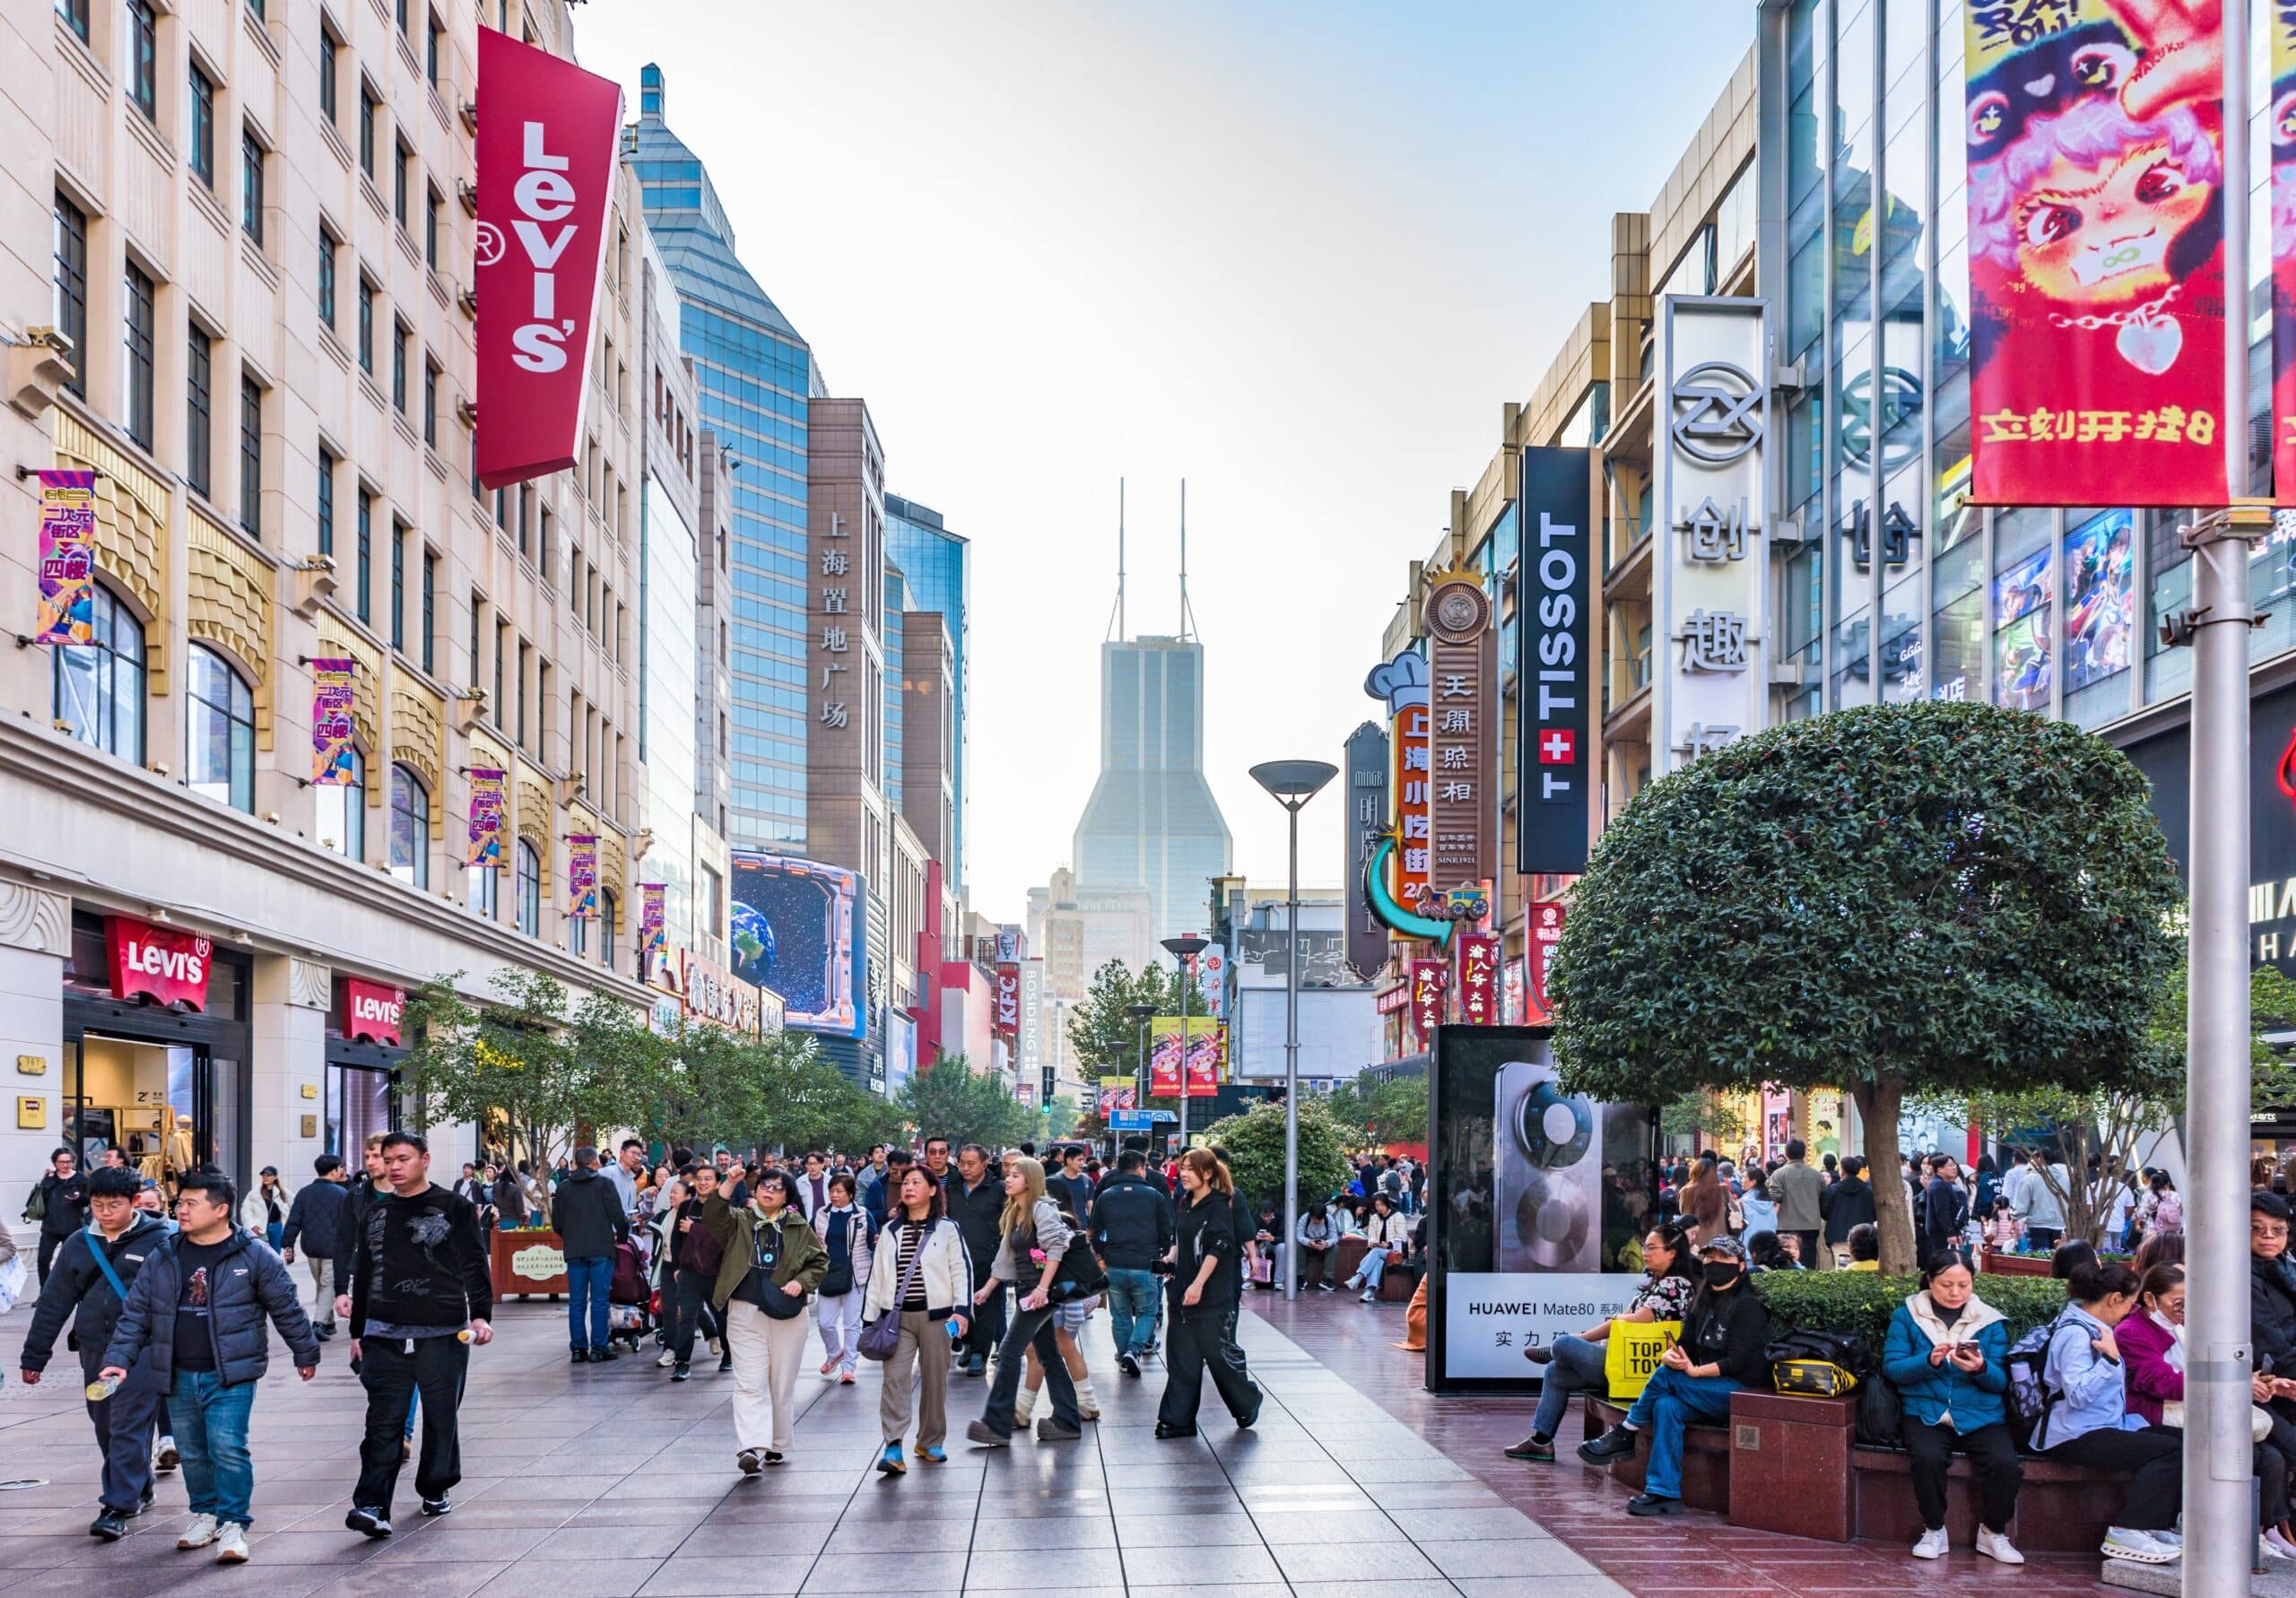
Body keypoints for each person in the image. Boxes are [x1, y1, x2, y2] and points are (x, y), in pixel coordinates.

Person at [97, 1172, 320, 1566]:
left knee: (228, 1447)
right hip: (177, 1370)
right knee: (193, 1451)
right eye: (179, 1203)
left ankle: (234, 1523)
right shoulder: (164, 1255)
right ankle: (205, 1514)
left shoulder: (253, 1255)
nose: (180, 1210)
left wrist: (305, 1352)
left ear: (220, 1210)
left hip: (230, 1373)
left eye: (191, 1203)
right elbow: (136, 1313)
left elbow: (286, 1306)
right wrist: (118, 1360)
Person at [342, 1130, 494, 1537]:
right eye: (388, 1159)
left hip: (443, 1328)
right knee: (383, 1420)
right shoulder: (375, 1213)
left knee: (441, 1416)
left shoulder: (454, 1206)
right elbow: (365, 1275)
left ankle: (435, 1486)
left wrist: (479, 1316)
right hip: (384, 1331)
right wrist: (358, 1332)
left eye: (403, 1159)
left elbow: (475, 1265)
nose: (393, 1167)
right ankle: (372, 1504)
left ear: (425, 1160)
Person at [16, 1164, 171, 1539]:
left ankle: (117, 1504)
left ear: (134, 1202)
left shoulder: (161, 1241)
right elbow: (54, 1303)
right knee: (104, 1423)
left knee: (127, 1423)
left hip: (142, 1349)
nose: (105, 1213)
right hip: (95, 1348)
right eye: (98, 1205)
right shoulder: (78, 1244)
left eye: (113, 1205)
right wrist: (34, 1357)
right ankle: (139, 1486)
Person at [1578, 1236, 1771, 1515]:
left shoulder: (1748, 1305)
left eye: (1722, 1259)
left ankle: (1627, 1432)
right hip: (1705, 1385)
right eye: (1709, 1258)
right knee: (1665, 1405)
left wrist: (1694, 1370)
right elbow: (1686, 1345)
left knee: (1669, 1377)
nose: (1714, 1264)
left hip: (1740, 1389)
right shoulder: (1702, 1301)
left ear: (1741, 1266)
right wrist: (1671, 1355)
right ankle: (1662, 1492)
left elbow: (1739, 1361)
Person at [2122, 1260, 2296, 1558]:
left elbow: (2209, 1371)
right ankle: (2206, 1525)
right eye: (2179, 1303)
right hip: (2155, 1412)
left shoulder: (2183, 1326)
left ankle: (2259, 1530)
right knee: (2246, 1451)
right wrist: (2235, 1385)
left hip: (2196, 1408)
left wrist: (2252, 1382)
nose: (2186, 1310)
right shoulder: (2132, 1331)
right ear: (2150, 1299)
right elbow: (2163, 1383)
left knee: (2272, 1457)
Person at [2026, 1257, 2181, 1564]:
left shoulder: (2093, 1327)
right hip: (2072, 1433)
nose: (2132, 1312)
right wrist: (2110, 1361)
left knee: (2185, 1443)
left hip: (2104, 1425)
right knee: (2168, 1451)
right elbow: (2079, 1396)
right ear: (2114, 1299)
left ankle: (2154, 1524)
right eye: (2131, 1304)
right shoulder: (2075, 1333)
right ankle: (2127, 1529)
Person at [1507, 1221, 1696, 1463]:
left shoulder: (1677, 1284)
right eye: (1645, 1247)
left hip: (1641, 1368)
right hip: (1624, 1363)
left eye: (1651, 1248)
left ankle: (1554, 1350)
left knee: (1564, 1344)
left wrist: (1585, 1337)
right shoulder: (1658, 1283)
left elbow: (1638, 1320)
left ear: (1672, 1252)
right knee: (1555, 1372)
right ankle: (1541, 1442)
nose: (1645, 1253)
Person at [1881, 1251, 2023, 1564]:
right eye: (1946, 1284)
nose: (1955, 1293)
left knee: (2004, 1463)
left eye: (1964, 1284)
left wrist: (1981, 1368)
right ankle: (1934, 1530)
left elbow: (2000, 1382)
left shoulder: (1989, 1321)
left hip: (1981, 1413)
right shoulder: (1907, 1315)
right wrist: (1929, 1361)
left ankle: (1994, 1532)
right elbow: (1892, 1368)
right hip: (1926, 1410)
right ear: (1930, 1281)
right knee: (1927, 1457)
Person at [703, 1168, 825, 1472]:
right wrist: (730, 1182)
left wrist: (802, 1282)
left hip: (786, 1313)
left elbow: (819, 1261)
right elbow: (713, 1216)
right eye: (764, 1185)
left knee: (780, 1385)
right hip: (745, 1311)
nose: (769, 1191)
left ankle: (777, 1444)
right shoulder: (740, 1222)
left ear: (787, 1196)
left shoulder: (797, 1226)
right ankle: (751, 1446)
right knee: (749, 1382)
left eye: (777, 1187)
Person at [966, 1156, 1085, 1446]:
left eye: (1016, 1175)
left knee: (1008, 1352)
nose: (1008, 1178)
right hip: (1027, 1291)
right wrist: (988, 1287)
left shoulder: (1041, 1209)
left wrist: (1043, 1290)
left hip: (1039, 1294)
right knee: (1048, 1355)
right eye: (1008, 1173)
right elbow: (1007, 1256)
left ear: (1030, 1181)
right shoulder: (1014, 1212)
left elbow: (1057, 1246)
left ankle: (997, 1424)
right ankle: (1067, 1420)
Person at [864, 1164, 972, 1474]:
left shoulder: (947, 1228)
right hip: (897, 1318)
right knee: (894, 1380)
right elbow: (878, 1276)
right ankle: (893, 1444)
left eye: (917, 1182)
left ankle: (930, 1440)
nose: (909, 1187)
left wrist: (961, 1310)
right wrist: (871, 1318)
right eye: (905, 1183)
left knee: (935, 1380)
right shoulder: (890, 1230)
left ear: (933, 1190)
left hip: (937, 1317)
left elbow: (961, 1269)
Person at [1154, 1148, 1263, 1438]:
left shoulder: (1220, 1204)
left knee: (1218, 1357)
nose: (1184, 1173)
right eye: (1183, 1167)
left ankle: (1247, 1401)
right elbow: (1180, 1237)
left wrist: (1199, 1283)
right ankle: (1178, 1420)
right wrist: (1170, 1259)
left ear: (1208, 1173)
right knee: (1182, 1358)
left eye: (1191, 1168)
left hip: (1213, 1295)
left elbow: (1219, 1246)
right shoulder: (1185, 1202)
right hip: (1182, 1293)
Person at [1092, 1149, 1172, 1377]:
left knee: (1120, 1315)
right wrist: (1163, 1253)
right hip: (1145, 1263)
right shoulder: (1154, 1195)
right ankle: (1134, 1350)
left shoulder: (1106, 1195)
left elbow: (1095, 1231)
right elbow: (1166, 1231)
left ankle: (1123, 1354)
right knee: (1148, 1311)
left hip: (1114, 1264)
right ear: (1140, 1168)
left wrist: (1103, 1254)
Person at [551, 1144, 631, 1363]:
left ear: (576, 1164)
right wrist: (623, 1237)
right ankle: (599, 1347)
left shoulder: (564, 1187)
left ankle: (578, 1348)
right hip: (601, 1249)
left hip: (574, 1250)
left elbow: (556, 1222)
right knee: (599, 1300)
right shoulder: (604, 1183)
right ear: (595, 1163)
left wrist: (569, 1236)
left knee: (576, 1301)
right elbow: (618, 1216)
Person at [944, 1142, 1005, 1377]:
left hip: (988, 1258)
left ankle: (980, 1354)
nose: (966, 1168)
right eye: (962, 1164)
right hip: (957, 1258)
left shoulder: (998, 1189)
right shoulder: (953, 1188)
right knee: (959, 1304)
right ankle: (968, 1343)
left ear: (985, 1163)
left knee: (986, 1308)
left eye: (971, 1164)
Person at [662, 1163, 726, 1380]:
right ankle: (682, 1362)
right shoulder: (687, 1206)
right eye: (699, 1178)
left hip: (715, 1272)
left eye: (708, 1179)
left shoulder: (722, 1208)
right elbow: (677, 1237)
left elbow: (721, 1239)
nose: (703, 1182)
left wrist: (695, 1229)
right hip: (689, 1271)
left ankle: (728, 1354)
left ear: (718, 1183)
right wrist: (678, 1265)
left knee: (721, 1315)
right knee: (687, 1316)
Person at [279, 1153, 350, 1339]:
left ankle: (328, 1323)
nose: (341, 1171)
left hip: (310, 1247)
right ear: (334, 1170)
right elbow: (349, 1225)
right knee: (327, 1285)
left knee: (323, 1284)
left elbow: (294, 1220)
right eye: (340, 1168)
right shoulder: (342, 1194)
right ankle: (318, 1324)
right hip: (333, 1249)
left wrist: (288, 1244)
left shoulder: (304, 1192)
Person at [812, 1172, 873, 1385]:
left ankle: (849, 1367)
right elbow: (811, 1241)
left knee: (851, 1324)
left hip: (856, 1276)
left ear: (850, 1193)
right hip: (828, 1274)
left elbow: (873, 1243)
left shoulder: (863, 1215)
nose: (834, 1195)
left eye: (839, 1191)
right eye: (831, 1191)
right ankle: (835, 1352)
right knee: (824, 1323)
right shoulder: (821, 1214)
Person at [24, 1146, 89, 1286]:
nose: (65, 1165)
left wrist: (78, 1198)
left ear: (73, 1161)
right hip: (50, 1228)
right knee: (43, 1260)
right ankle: (45, 1293)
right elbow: (41, 1197)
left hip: (72, 1228)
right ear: (55, 1163)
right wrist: (48, 1179)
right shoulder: (50, 1178)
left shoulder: (81, 1178)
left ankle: (70, 1293)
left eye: (68, 1162)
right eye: (61, 1162)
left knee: (70, 1263)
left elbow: (89, 1200)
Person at [1343, 1193, 1411, 1301]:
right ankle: (1369, 1292)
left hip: (1395, 1252)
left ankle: (1358, 1277)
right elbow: (1371, 1237)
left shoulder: (1398, 1216)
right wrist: (1374, 1243)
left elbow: (1402, 1237)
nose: (1379, 1208)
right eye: (1377, 1206)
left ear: (1387, 1203)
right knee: (1377, 1258)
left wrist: (1389, 1244)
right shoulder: (1374, 1218)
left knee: (1376, 1252)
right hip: (1379, 1251)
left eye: (1381, 1205)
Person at [1770, 1140, 1822, 1266]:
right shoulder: (1816, 1175)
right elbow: (1824, 1197)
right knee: (1808, 1260)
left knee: (1785, 1260)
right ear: (1804, 1153)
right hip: (1811, 1224)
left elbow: (1775, 1196)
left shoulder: (1778, 1174)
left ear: (1787, 1154)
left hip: (1786, 1225)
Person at [1819, 1155, 1875, 1270]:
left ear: (1842, 1171)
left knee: (1842, 1269)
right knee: (1863, 1269)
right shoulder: (1867, 1190)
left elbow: (1824, 1212)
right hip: (1864, 1237)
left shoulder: (1833, 1190)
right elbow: (1874, 1214)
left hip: (1838, 1235)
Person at [1279, 1194, 1341, 1293]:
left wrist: (1326, 1243)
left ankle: (1326, 1279)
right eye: (1314, 1219)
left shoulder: (1330, 1220)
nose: (1316, 1221)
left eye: (1318, 1220)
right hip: (1307, 1245)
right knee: (1298, 1246)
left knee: (1335, 1248)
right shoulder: (1304, 1218)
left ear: (1324, 1217)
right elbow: (1298, 1236)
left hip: (1323, 1245)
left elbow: (1334, 1238)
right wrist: (1309, 1242)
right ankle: (1300, 1277)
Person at [2013, 1148, 2070, 1253]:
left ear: (2039, 1159)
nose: (2031, 1162)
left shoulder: (2031, 1178)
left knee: (2040, 1258)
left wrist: (2014, 1219)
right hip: (2060, 1225)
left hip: (2038, 1225)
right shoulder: (2064, 1179)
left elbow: (2021, 1205)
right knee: (2057, 1258)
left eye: (2033, 1159)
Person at [1678, 1156, 1727, 1243]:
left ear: (1695, 1171)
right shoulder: (1723, 1189)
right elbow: (1733, 1213)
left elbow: (1684, 1214)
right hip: (1721, 1243)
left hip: (1695, 1242)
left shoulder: (1686, 1191)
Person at [241, 1168, 289, 1253]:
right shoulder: (254, 1193)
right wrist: (252, 1225)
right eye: (263, 1175)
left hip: (277, 1226)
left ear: (275, 1177)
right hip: (260, 1228)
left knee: (275, 1253)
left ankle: (273, 1266)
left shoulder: (282, 1192)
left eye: (269, 1175)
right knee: (261, 1252)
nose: (265, 1177)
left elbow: (295, 1204)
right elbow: (246, 1211)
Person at [601, 1139, 646, 1215]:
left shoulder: (631, 1181)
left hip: (626, 1225)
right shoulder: (607, 1172)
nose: (636, 1157)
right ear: (622, 1153)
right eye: (633, 1153)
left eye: (638, 1155)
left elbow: (631, 1208)